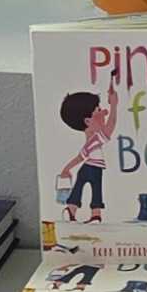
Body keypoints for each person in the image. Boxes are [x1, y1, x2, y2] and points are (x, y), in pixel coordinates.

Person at [56, 88, 115, 219]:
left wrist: (66, 169)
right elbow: (110, 127)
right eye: (99, 111)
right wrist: (114, 105)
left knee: (82, 187)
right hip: (92, 168)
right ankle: (93, 213)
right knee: (95, 189)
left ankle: (73, 210)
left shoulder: (93, 139)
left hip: (90, 167)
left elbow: (80, 157)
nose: (104, 113)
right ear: (88, 121)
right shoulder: (95, 140)